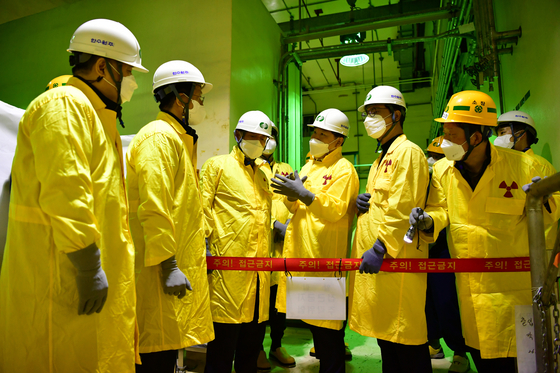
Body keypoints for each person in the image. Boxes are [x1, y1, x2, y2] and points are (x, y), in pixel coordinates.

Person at [0, 18, 148, 372]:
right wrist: (88, 267)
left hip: (82, 288)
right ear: (102, 66)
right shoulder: (64, 105)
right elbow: (66, 193)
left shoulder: (95, 116)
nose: (133, 82)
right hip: (59, 281)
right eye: (128, 72)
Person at [409, 90, 560, 372]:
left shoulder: (528, 166)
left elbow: (556, 213)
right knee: (485, 362)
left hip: (517, 296)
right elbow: (440, 208)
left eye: (451, 135)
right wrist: (429, 221)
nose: (444, 142)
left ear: (476, 136)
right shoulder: (442, 170)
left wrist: (544, 197)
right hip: (472, 294)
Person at [126, 60, 214, 372]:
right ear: (181, 98)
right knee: (155, 353)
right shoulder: (159, 137)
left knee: (166, 351)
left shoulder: (178, 138)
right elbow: (154, 204)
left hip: (172, 266)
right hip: (158, 271)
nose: (202, 103)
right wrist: (168, 264)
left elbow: (184, 205)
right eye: (199, 96)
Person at [348, 86, 431, 373]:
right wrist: (364, 203)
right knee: (388, 339)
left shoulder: (407, 152)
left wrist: (381, 246)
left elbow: (403, 206)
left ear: (396, 115)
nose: (369, 118)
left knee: (406, 337)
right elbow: (384, 202)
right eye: (367, 113)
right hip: (382, 264)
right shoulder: (381, 157)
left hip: (397, 259)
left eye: (375, 112)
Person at [272, 108, 360, 373]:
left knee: (329, 335)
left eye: (323, 134)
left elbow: (335, 210)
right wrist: (291, 196)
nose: (316, 137)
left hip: (324, 261)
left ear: (338, 140)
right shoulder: (310, 164)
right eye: (314, 132)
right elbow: (295, 209)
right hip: (302, 257)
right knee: (315, 328)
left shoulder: (344, 170)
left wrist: (305, 194)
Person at [201, 110, 273, 373]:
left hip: (258, 280)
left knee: (249, 356)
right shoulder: (217, 165)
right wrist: (203, 254)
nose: (257, 142)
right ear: (238, 135)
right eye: (252, 136)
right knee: (220, 356)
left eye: (262, 139)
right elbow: (202, 212)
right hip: (227, 279)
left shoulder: (264, 174)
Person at [424, 136, 470, 373]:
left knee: (446, 303)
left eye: (437, 157)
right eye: (429, 155)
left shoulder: (454, 179)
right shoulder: (421, 181)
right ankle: (434, 344)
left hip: (444, 251)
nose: (432, 161)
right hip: (421, 253)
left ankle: (460, 351)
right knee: (425, 305)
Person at [257, 122, 296, 370]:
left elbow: (296, 198)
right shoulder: (252, 167)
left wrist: (289, 226)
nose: (269, 140)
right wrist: (272, 224)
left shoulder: (285, 168)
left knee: (279, 302)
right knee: (261, 300)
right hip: (261, 242)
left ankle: (277, 345)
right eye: (264, 136)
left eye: (272, 136)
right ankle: (256, 348)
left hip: (283, 246)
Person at [494, 110, 558, 259]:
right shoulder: (499, 165)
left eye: (502, 132)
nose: (498, 138)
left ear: (521, 134)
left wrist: (547, 200)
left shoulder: (540, 166)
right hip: (508, 247)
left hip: (536, 249)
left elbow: (556, 205)